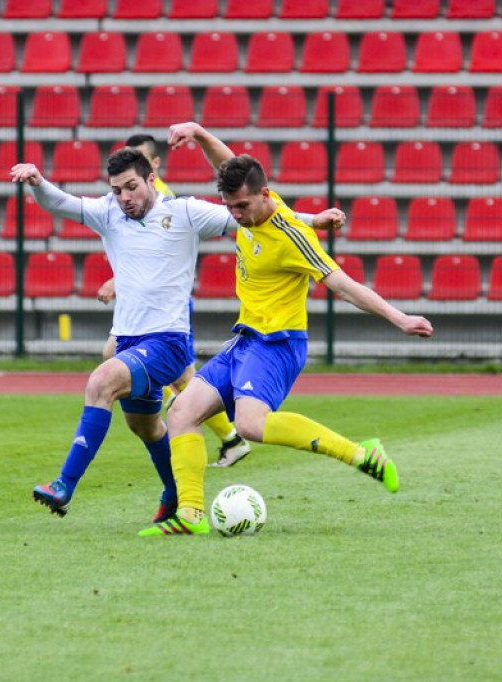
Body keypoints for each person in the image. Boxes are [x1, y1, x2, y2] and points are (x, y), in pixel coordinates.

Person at [11, 148, 342, 524]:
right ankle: (173, 495)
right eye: (117, 190)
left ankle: (64, 485)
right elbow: (61, 203)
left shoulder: (184, 212)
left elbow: (258, 217)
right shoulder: (109, 213)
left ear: (152, 179)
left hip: (167, 341)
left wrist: (312, 219)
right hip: (128, 340)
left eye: (131, 187)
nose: (124, 198)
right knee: (146, 427)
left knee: (101, 382)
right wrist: (37, 183)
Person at [140, 123, 434, 537]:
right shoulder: (257, 202)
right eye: (229, 207)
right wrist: (200, 133)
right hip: (245, 339)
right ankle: (190, 516)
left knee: (250, 425)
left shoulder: (293, 235)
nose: (235, 216)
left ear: (263, 195)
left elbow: (343, 284)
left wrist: (399, 318)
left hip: (277, 344)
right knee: (182, 412)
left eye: (241, 206)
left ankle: (363, 454)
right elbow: (230, 164)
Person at [98, 133, 252, 469]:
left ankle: (227, 435)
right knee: (170, 372)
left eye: (138, 159)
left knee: (161, 371)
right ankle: (229, 437)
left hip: (167, 306)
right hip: (151, 306)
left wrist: (116, 280)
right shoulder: (134, 196)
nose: (126, 189)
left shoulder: (160, 198)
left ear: (153, 166)